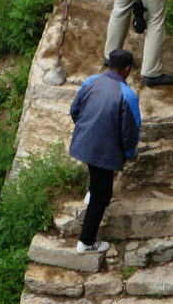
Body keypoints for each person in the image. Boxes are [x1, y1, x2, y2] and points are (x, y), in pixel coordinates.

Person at [69, 47, 141, 254]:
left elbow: (75, 109)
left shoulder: (91, 81)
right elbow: (130, 134)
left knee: (97, 175)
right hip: (105, 151)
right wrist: (128, 155)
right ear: (126, 70)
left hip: (83, 142)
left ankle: (91, 193)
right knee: (104, 195)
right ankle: (86, 241)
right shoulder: (128, 96)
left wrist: (85, 129)